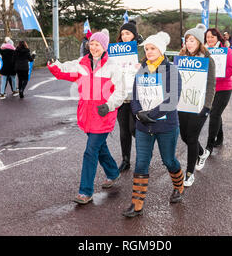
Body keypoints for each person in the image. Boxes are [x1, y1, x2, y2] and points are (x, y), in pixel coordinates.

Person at [47, 31, 127, 205]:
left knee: (90, 152)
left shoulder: (113, 66)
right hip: (87, 115)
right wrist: (53, 63)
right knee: (100, 148)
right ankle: (113, 172)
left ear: (104, 47)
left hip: (104, 114)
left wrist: (109, 105)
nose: (93, 47)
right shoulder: (81, 63)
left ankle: (85, 191)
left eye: (97, 44)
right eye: (91, 44)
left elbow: (121, 91)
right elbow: (62, 71)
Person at [122, 31, 183, 218]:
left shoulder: (171, 70)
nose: (149, 51)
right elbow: (134, 96)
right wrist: (138, 113)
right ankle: (137, 203)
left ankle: (179, 187)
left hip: (165, 126)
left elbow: (172, 100)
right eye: (147, 49)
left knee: (168, 160)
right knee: (141, 163)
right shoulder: (141, 70)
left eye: (152, 48)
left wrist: (152, 115)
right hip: (143, 126)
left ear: (161, 50)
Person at [178, 24, 216, 187]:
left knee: (192, 137)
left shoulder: (208, 60)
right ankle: (201, 153)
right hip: (182, 104)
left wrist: (207, 107)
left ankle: (189, 173)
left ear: (199, 42)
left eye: (192, 40)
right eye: (186, 40)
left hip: (199, 106)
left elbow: (211, 85)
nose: (188, 43)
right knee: (185, 137)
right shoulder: (181, 58)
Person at [115, 20, 142, 173]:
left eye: (128, 33)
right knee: (124, 130)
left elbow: (150, 67)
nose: (124, 36)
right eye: (122, 34)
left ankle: (143, 156)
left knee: (134, 128)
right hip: (121, 94)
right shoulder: (116, 51)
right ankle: (125, 160)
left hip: (136, 95)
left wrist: (142, 66)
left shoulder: (141, 50)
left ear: (134, 35)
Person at [204, 28, 232, 154]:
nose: (210, 39)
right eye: (207, 37)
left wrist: (215, 77)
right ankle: (220, 137)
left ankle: (209, 145)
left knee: (214, 114)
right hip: (209, 89)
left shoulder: (226, 51)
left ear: (218, 38)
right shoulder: (204, 52)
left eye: (212, 37)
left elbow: (231, 69)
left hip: (224, 88)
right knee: (215, 113)